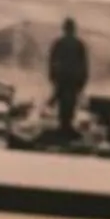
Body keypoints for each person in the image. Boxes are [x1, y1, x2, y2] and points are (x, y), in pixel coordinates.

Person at [46, 17, 90, 146]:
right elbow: (84, 64)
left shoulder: (59, 43)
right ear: (73, 29)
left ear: (64, 28)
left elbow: (52, 61)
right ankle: (66, 127)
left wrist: (52, 76)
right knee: (70, 102)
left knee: (63, 101)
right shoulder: (79, 44)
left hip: (63, 77)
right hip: (72, 78)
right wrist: (83, 80)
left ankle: (64, 127)